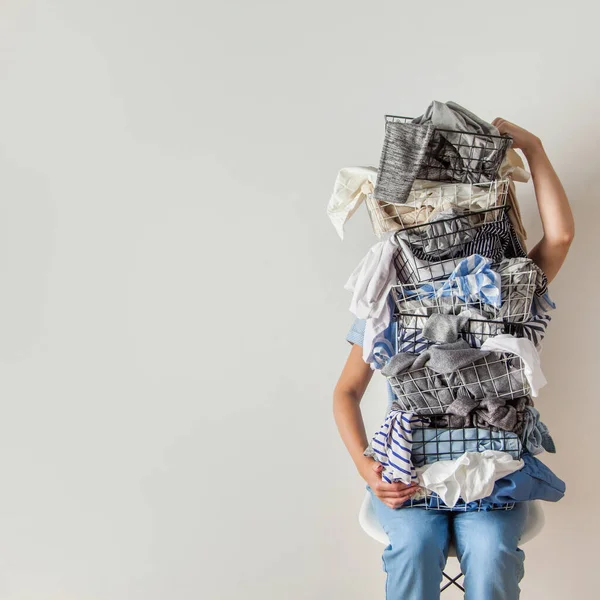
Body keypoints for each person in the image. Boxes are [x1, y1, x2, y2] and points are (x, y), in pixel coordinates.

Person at [332, 118, 575, 600]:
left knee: (490, 554)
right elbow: (346, 391)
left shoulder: (509, 290)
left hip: (495, 471)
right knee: (417, 546)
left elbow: (561, 237)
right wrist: (369, 471)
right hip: (409, 471)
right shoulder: (388, 296)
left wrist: (533, 147)